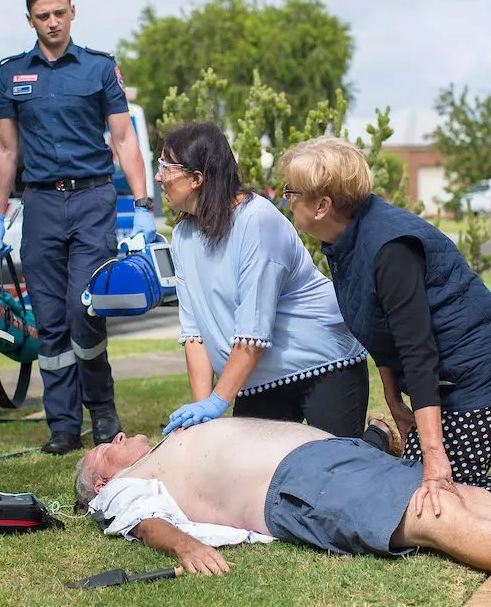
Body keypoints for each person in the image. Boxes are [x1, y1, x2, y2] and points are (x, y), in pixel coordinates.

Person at [276, 137, 491, 520]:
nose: (286, 199)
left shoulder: (389, 247)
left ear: (322, 205)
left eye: (291, 191)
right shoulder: (347, 241)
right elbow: (380, 330)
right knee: (414, 488)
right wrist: (396, 404)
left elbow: (418, 351)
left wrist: (433, 454)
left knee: (430, 498)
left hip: (480, 378)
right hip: (452, 381)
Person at [75, 418, 491, 588]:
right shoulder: (128, 489)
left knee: (458, 495)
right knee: (438, 518)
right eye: (106, 448)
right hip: (296, 485)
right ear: (100, 483)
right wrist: (185, 545)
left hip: (324, 463)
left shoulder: (163, 444)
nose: (118, 438)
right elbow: (142, 522)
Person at [0, 0, 155, 455]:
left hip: (92, 202)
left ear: (72, 11)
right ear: (31, 21)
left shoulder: (100, 69)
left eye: (59, 12)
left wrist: (142, 205)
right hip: (39, 205)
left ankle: (102, 410)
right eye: (43, 16)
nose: (53, 22)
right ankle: (63, 425)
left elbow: (124, 139)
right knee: (50, 320)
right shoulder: (12, 74)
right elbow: (5, 147)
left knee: (85, 311)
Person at [154, 123, 370, 438]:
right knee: (259, 480)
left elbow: (253, 331)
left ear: (196, 178)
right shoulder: (183, 237)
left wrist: (218, 401)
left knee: (339, 469)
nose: (159, 176)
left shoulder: (257, 221)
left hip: (322, 360)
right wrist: (201, 416)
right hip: (255, 376)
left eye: (166, 167)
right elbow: (194, 333)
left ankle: (378, 436)